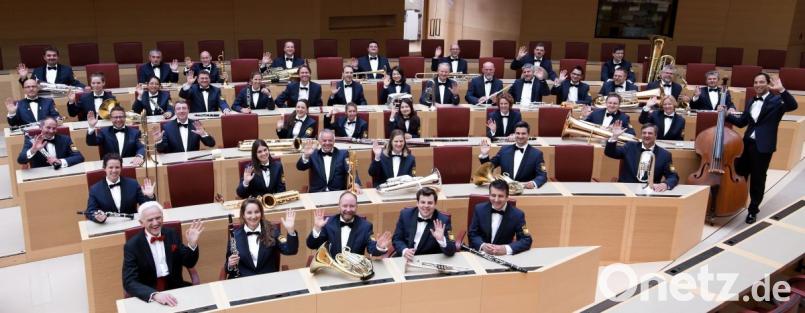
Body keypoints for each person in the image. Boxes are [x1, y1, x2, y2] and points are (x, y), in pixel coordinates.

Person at [722, 73, 798, 224]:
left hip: (763, 147)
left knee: (758, 178)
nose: (758, 85)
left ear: (768, 84)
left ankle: (753, 210)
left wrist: (781, 89)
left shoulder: (777, 100)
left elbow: (793, 106)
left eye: (761, 82)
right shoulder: (751, 100)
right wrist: (726, 115)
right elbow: (743, 122)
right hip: (747, 144)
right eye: (755, 82)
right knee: (740, 174)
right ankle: (736, 202)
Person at [123, 202, 204, 306]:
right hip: (149, 292)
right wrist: (154, 295)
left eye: (158, 218)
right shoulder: (132, 246)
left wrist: (192, 244)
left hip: (176, 288)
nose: (155, 222)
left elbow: (189, 263)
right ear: (141, 222)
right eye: (150, 220)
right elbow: (129, 281)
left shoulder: (172, 234)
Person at [225, 199, 297, 278]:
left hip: (267, 280)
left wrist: (291, 231)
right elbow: (227, 268)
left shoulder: (272, 231)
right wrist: (230, 264)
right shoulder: (235, 236)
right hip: (243, 281)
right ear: (243, 215)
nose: (253, 216)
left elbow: (290, 250)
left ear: (261, 213)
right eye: (249, 213)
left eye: (257, 212)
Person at [306, 191, 391, 257]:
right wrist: (317, 228)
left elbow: (371, 249)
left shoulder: (365, 226)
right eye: (345, 206)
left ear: (357, 207)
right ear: (339, 206)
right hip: (331, 270)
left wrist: (379, 246)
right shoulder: (328, 223)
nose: (348, 209)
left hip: (354, 271)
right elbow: (311, 245)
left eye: (352, 206)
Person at [604, 122, 679, 192]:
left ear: (656, 135)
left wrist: (665, 184)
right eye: (644, 133)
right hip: (626, 189)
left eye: (650, 133)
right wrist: (614, 136)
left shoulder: (665, 155)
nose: (646, 135)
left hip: (650, 191)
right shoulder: (630, 146)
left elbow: (673, 175)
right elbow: (610, 153)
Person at [86, 153, 155, 223]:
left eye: (117, 167)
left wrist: (150, 196)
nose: (114, 171)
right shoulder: (95, 189)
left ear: (121, 168)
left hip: (131, 223)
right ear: (104, 168)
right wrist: (97, 217)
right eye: (110, 167)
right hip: (108, 225)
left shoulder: (133, 184)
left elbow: (146, 207)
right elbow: (90, 211)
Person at [468, 179, 532, 255]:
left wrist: (506, 248)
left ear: (507, 197)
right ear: (489, 195)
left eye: (500, 196)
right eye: (493, 195)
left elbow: (526, 239)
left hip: (503, 257)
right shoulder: (479, 209)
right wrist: (482, 245)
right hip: (480, 254)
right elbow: (472, 234)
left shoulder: (517, 215)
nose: (496, 200)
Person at [392, 187, 456, 260]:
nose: (426, 206)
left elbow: (452, 248)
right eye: (423, 202)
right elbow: (396, 239)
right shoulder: (405, 214)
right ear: (417, 203)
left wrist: (442, 240)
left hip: (428, 261)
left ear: (435, 204)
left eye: (430, 203)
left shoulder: (445, 220)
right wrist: (404, 250)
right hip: (404, 258)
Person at [479, 121, 547, 188]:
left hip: (525, 190)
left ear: (528, 135)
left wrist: (534, 183)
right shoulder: (504, 150)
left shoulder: (537, 154)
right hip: (505, 190)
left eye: (523, 133)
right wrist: (484, 155)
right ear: (514, 134)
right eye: (518, 133)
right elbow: (489, 167)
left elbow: (542, 175)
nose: (520, 136)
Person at [297, 129, 361, 193]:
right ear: (319, 141)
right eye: (324, 140)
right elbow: (300, 167)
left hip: (338, 193)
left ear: (334, 141)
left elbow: (351, 170)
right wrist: (306, 156)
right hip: (317, 194)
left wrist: (355, 184)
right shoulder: (313, 154)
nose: (327, 143)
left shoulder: (343, 154)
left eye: (330, 140)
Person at [17, 117, 84, 169]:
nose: (51, 131)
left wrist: (60, 161)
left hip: (63, 173)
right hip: (41, 178)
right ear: (41, 127)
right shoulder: (32, 141)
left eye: (54, 128)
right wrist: (33, 149)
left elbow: (79, 157)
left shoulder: (65, 139)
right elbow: (20, 160)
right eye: (48, 128)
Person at [17, 47, 85, 88]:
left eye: (54, 55)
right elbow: (30, 86)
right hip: (43, 100)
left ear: (58, 57)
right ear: (44, 57)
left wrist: (85, 87)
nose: (51, 57)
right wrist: (23, 77)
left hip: (62, 99)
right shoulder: (37, 71)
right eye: (49, 55)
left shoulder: (67, 70)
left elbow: (74, 83)